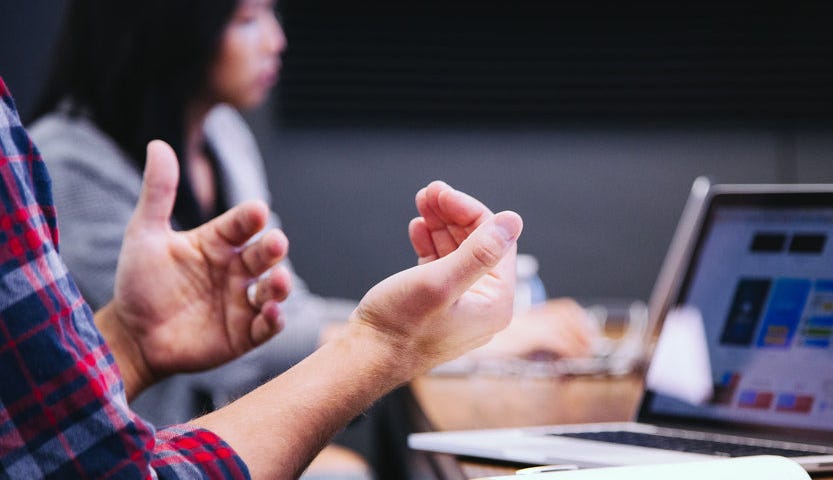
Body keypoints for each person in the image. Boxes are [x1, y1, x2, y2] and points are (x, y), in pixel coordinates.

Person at [28, 1, 593, 476]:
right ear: (169, 27)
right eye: (248, 20)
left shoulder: (223, 136)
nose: (276, 39)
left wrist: (427, 330)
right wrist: (433, 336)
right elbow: (245, 352)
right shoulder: (67, 166)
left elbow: (278, 311)